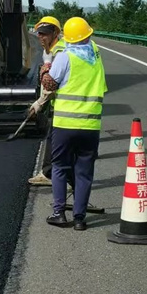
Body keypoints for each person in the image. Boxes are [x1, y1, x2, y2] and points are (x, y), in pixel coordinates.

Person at [41, 16, 107, 231]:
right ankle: (80, 218)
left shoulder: (65, 57)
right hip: (90, 126)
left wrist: (44, 71)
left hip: (65, 125)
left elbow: (51, 83)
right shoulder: (96, 57)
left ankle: (59, 213)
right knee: (84, 172)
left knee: (60, 167)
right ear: (88, 35)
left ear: (66, 37)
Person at [27, 17, 65, 186]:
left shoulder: (59, 52)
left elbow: (50, 84)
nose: (41, 37)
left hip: (67, 106)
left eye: (45, 34)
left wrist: (39, 104)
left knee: (56, 139)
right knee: (53, 138)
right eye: (39, 34)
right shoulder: (49, 51)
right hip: (62, 104)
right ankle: (51, 173)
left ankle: (53, 175)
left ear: (56, 33)